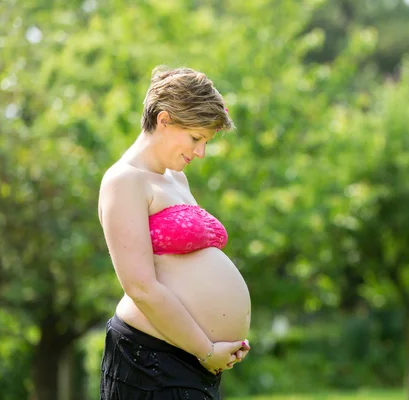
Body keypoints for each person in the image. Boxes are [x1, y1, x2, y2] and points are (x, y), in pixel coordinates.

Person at [98, 66, 251, 400]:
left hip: (189, 357)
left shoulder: (175, 179)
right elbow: (141, 286)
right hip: (150, 362)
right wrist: (207, 349)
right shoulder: (124, 180)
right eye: (196, 139)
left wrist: (224, 339)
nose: (200, 153)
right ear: (164, 120)